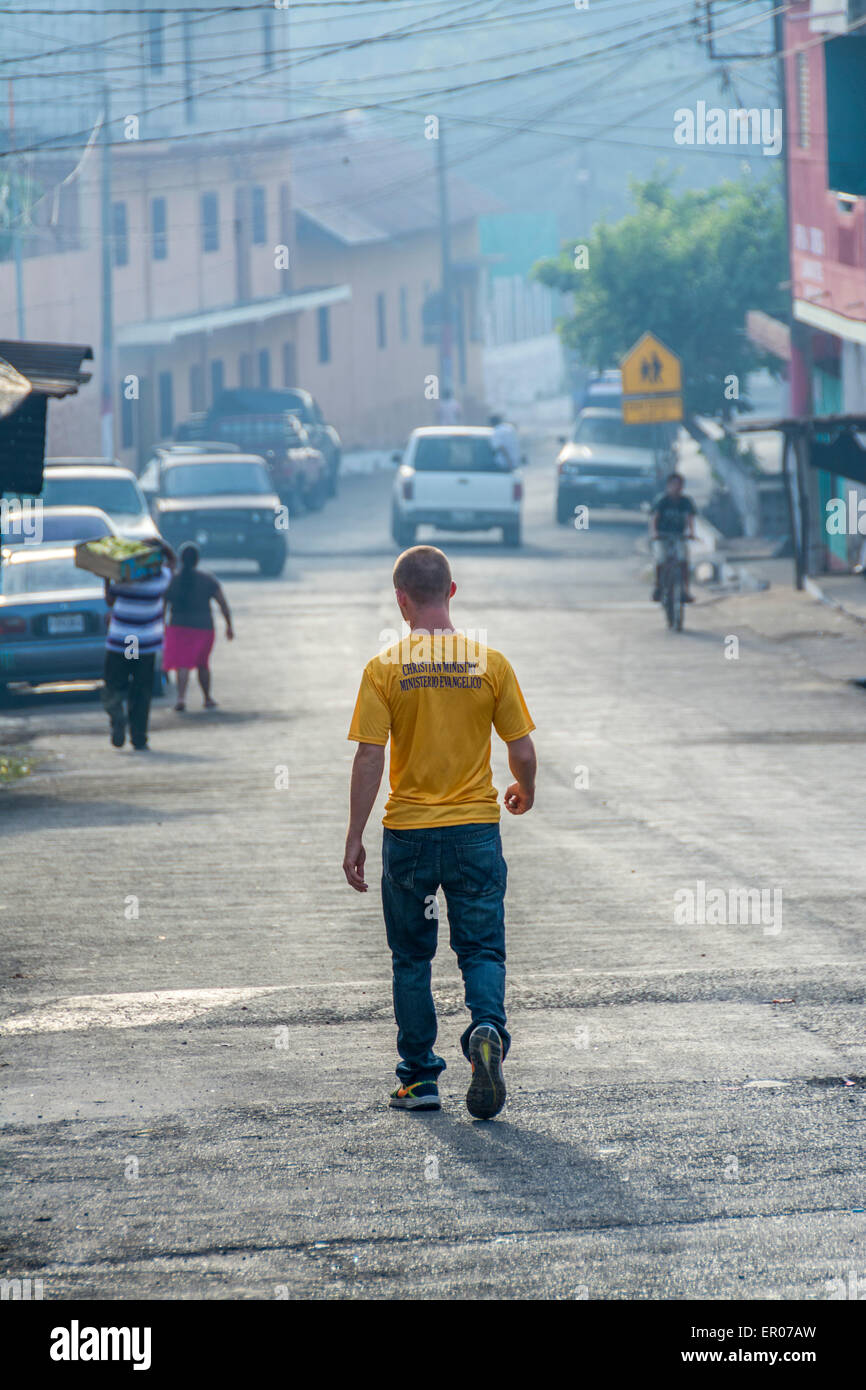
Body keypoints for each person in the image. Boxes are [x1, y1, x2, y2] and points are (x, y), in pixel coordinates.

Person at [343, 545, 537, 1120]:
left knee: (411, 958)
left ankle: (420, 1079)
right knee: (481, 947)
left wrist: (355, 833)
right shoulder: (489, 663)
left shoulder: (383, 669)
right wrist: (525, 790)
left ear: (401, 600)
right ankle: (486, 1029)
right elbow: (521, 749)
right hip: (476, 830)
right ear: (452, 592)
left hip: (409, 837)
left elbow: (369, 758)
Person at [102, 541, 175, 751]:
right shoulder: (161, 580)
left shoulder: (122, 579)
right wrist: (161, 547)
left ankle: (116, 714)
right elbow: (173, 561)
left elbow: (109, 600)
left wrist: (106, 576)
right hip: (144, 644)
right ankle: (139, 738)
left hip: (122, 641)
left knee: (114, 684)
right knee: (141, 690)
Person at [163, 543, 233, 711]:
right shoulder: (208, 579)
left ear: (180, 559)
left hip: (178, 627)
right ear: (197, 560)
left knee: (182, 663)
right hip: (204, 627)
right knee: (203, 664)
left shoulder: (173, 580)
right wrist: (229, 626)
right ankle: (207, 698)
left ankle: (181, 699)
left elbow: (162, 606)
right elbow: (223, 603)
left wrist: (160, 626)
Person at [650, 472, 697, 603]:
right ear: (668, 485)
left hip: (679, 535)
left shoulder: (686, 501)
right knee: (661, 560)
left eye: (679, 485)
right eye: (674, 484)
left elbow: (690, 518)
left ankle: (685, 590)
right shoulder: (662, 500)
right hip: (662, 535)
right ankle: (658, 587)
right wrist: (654, 532)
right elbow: (654, 518)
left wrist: (691, 532)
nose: (676, 487)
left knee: (683, 560)